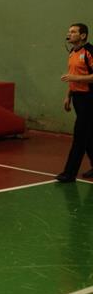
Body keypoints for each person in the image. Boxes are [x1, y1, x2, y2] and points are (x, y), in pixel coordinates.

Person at [56, 23, 93, 182]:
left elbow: (77, 77)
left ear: (82, 35)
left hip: (89, 99)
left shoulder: (90, 52)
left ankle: (69, 173)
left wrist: (75, 78)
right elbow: (72, 76)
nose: (69, 34)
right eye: (69, 31)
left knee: (80, 135)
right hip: (77, 98)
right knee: (88, 135)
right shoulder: (72, 52)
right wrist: (68, 96)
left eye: (73, 32)